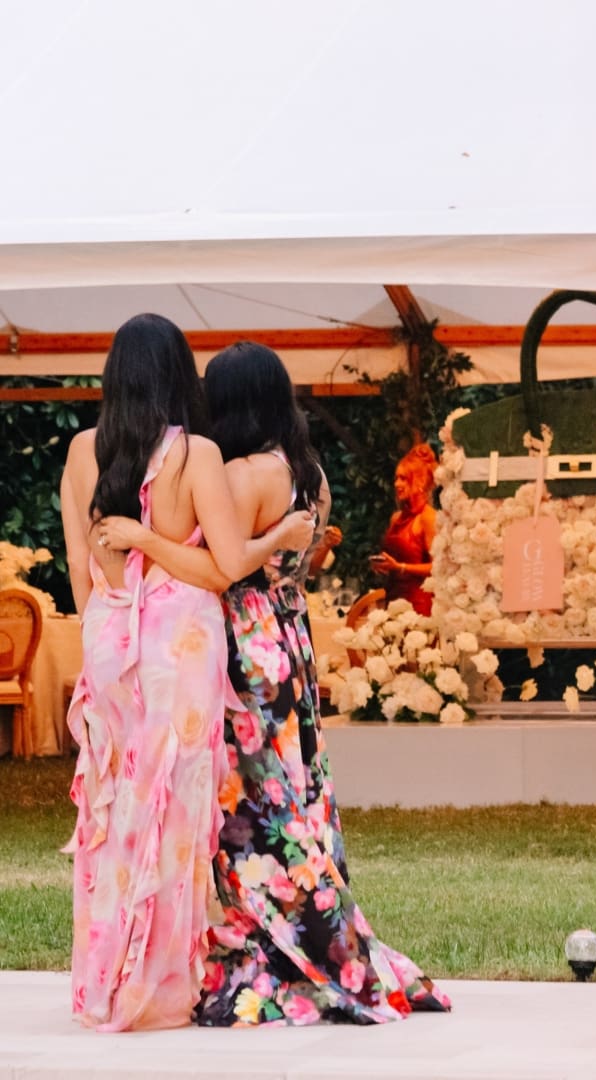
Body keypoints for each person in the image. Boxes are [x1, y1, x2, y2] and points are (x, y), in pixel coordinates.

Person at [98, 342, 451, 1026]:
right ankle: (327, 929)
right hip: (290, 638)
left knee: (251, 808)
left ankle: (277, 943)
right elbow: (307, 559)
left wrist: (141, 537)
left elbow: (217, 569)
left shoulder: (236, 473)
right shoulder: (304, 473)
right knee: (299, 796)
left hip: (241, 648)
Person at [56, 314, 310, 1031]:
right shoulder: (195, 455)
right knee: (170, 812)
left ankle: (100, 982)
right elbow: (227, 566)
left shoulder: (80, 452)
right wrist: (277, 537)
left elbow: (82, 568)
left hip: (108, 636)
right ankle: (162, 988)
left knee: (109, 811)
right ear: (178, 376)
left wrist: (108, 625)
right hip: (181, 645)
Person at [371, 444, 438, 615]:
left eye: (403, 479)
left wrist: (401, 567)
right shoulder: (396, 518)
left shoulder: (428, 518)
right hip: (393, 598)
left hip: (419, 604)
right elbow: (393, 561)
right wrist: (384, 567)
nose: (397, 484)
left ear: (420, 482)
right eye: (396, 478)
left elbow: (438, 567)